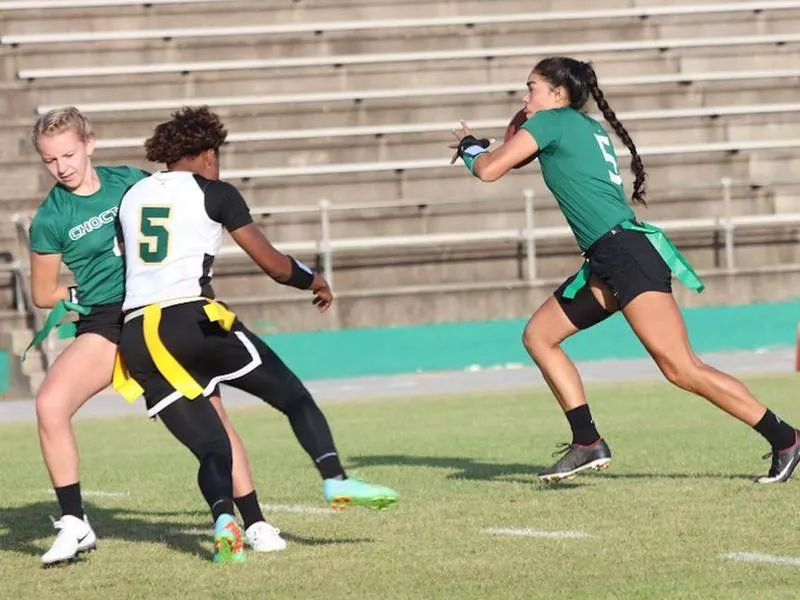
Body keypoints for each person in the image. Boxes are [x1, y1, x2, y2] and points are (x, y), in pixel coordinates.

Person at [450, 56, 800, 484]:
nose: (526, 97)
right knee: (539, 336)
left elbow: (489, 170)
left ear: (558, 93)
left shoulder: (551, 122)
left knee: (681, 368)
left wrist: (470, 147)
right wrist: (512, 129)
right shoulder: (580, 125)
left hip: (623, 253)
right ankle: (586, 442)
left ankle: (785, 438)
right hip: (610, 255)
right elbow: (518, 154)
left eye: (532, 87)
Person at [115, 106, 398, 563]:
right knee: (294, 397)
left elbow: (129, 261)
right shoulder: (216, 192)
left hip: (139, 337)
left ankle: (226, 521)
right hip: (191, 319)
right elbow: (273, 264)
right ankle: (336, 478)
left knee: (211, 447)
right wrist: (314, 280)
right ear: (208, 153)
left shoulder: (132, 197)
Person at [28, 107, 284, 566]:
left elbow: (187, 208)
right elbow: (43, 293)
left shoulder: (132, 181)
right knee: (50, 404)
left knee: (214, 414)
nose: (62, 166)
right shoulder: (51, 217)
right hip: (106, 320)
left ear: (89, 143)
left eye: (68, 154)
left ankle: (257, 522)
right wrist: (79, 292)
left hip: (162, 310)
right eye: (50, 160)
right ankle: (75, 523)